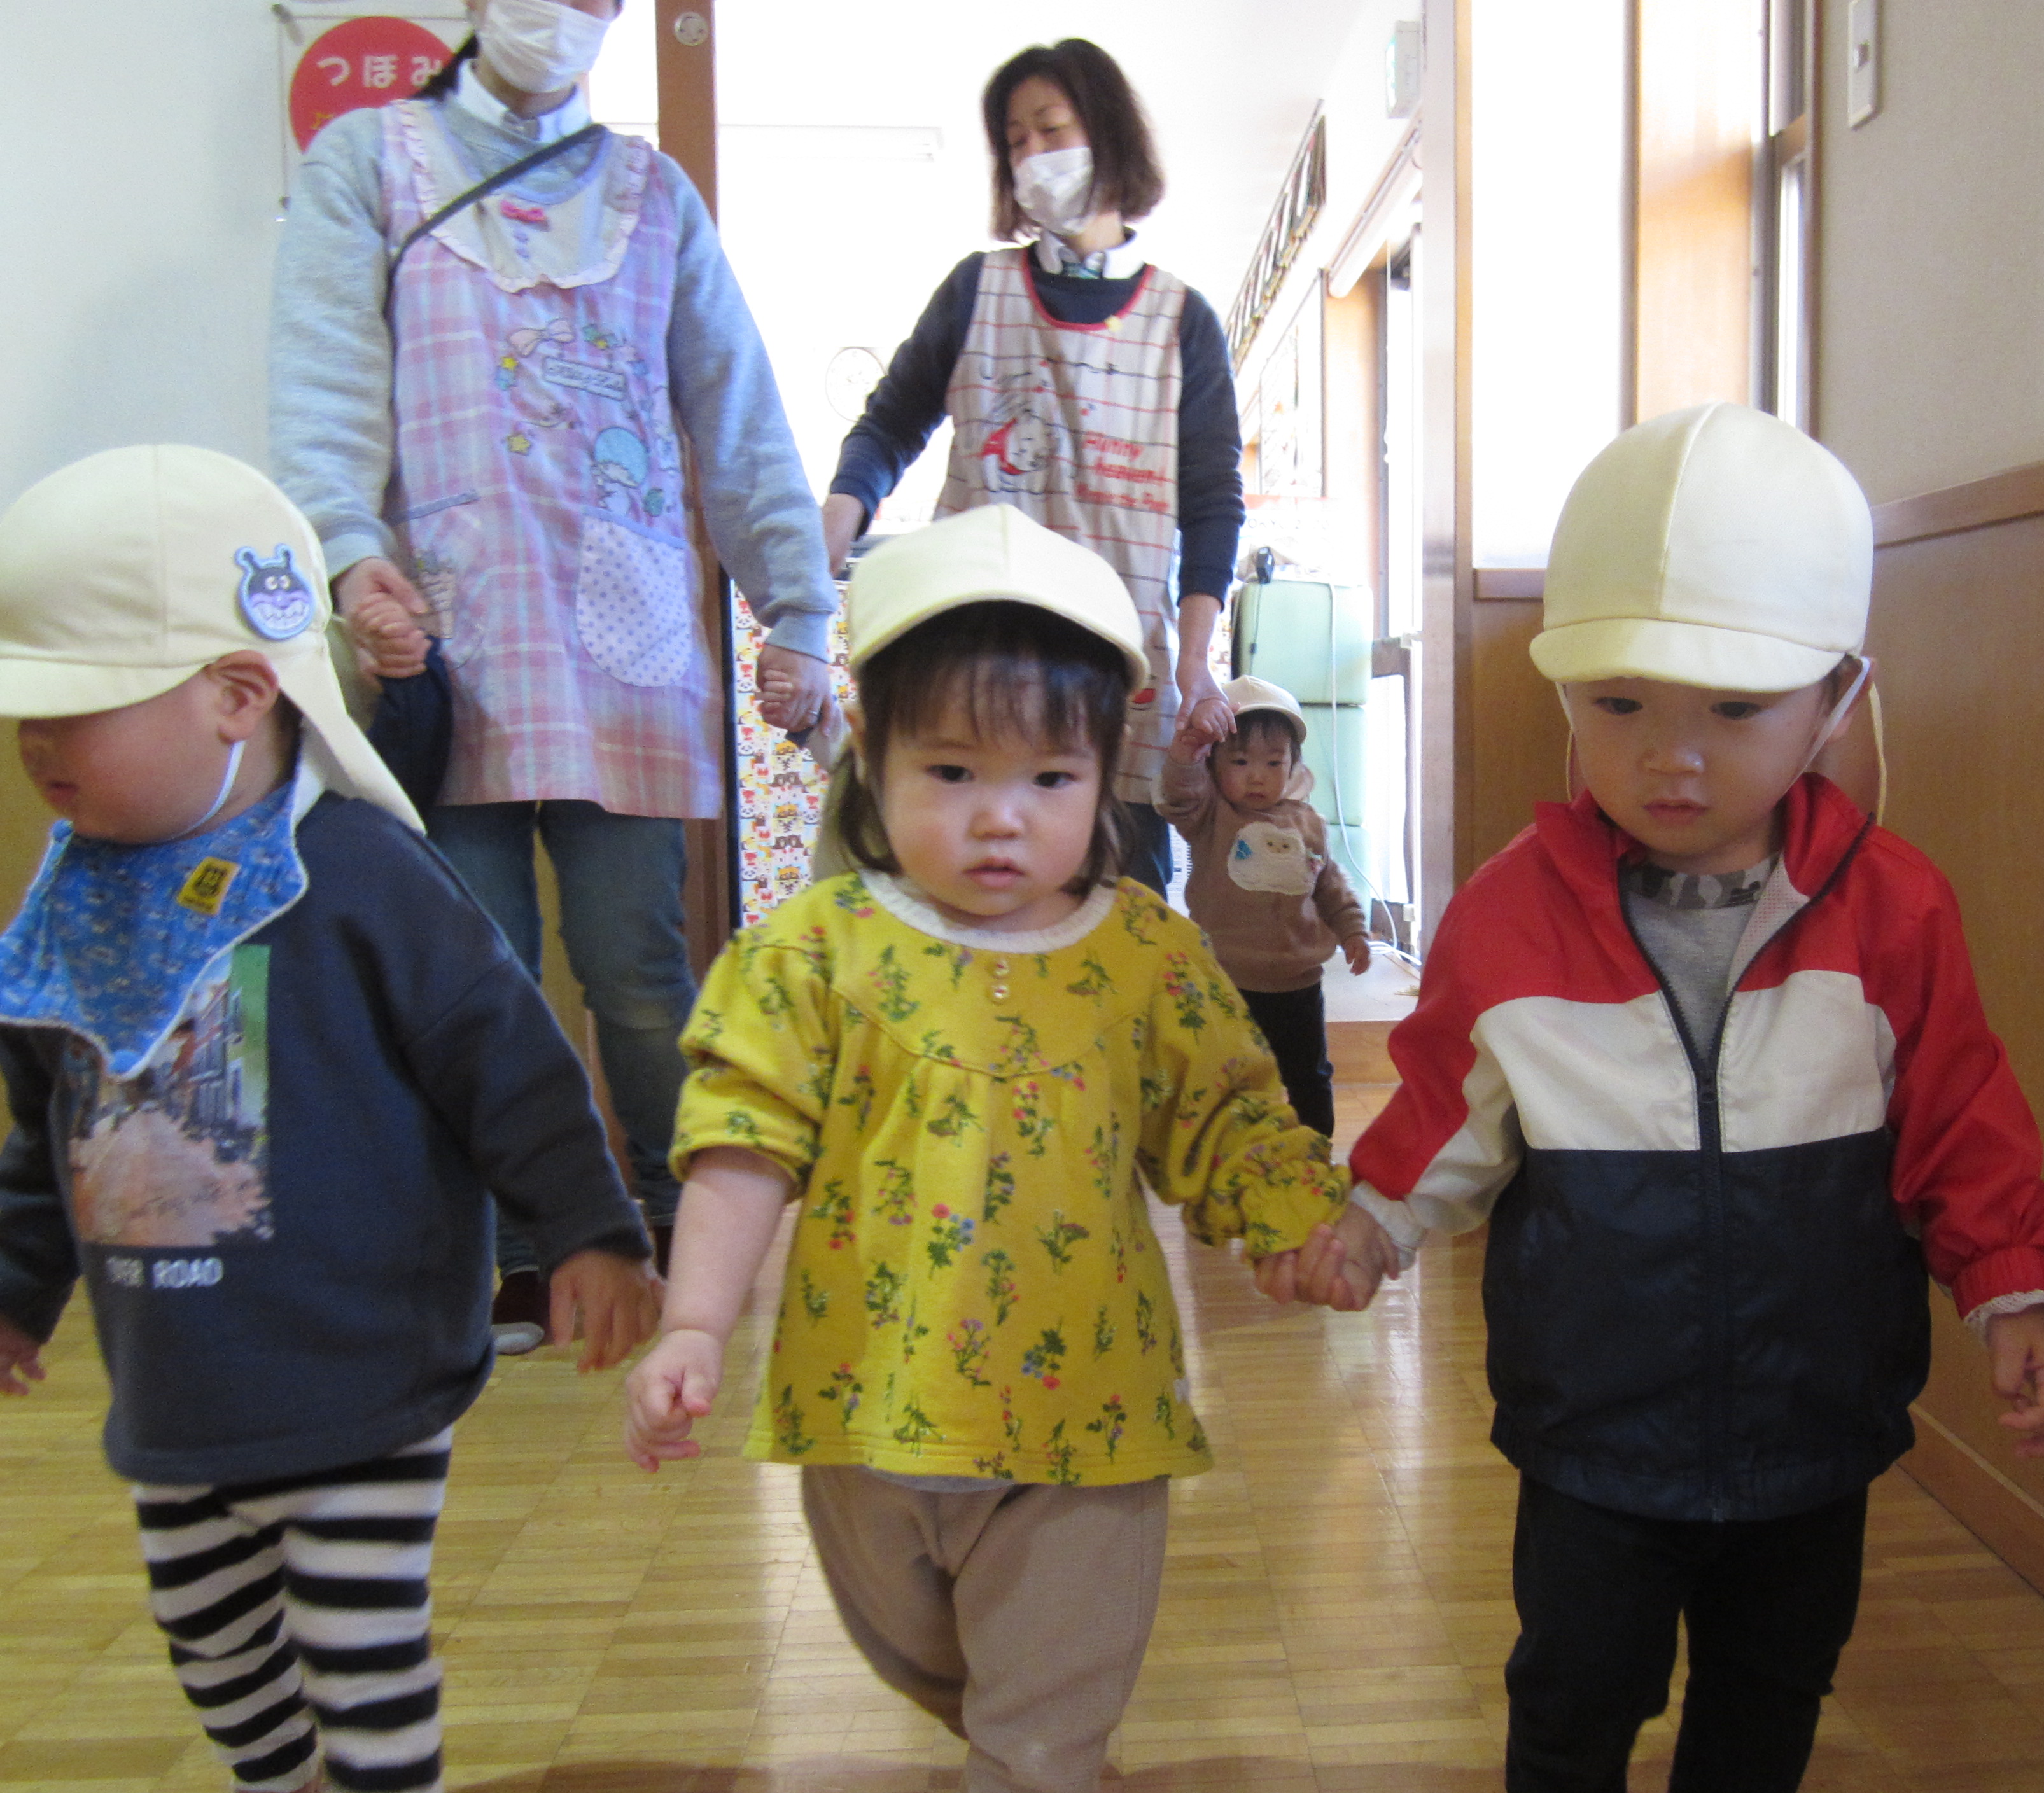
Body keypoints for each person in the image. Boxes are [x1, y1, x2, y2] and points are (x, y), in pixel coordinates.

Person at [1284, 405, 2044, 1793]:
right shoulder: (1517, 912)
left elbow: (1962, 1115)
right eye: (1620, 702)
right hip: (1596, 1417)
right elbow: (1447, 1095)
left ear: (1834, 699)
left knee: (1775, 1680)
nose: (1668, 754)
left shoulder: (1893, 908)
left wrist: (2013, 1282)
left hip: (1813, 1411)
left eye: (1730, 708)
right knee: (1576, 1677)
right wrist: (1373, 1218)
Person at [623, 505, 1347, 1793]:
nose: (1001, 814)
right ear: (872, 765)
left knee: (1053, 1668)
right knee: (916, 1647)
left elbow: (1228, 1114)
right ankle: (1033, 1748)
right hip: (866, 1407)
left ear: (1102, 780)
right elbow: (740, 1140)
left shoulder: (1141, 950)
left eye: (1050, 775)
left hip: (1086, 1410)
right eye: (949, 770)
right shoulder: (813, 951)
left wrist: (1294, 1221)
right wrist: (694, 1323)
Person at [0, 445, 660, 1793]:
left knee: (361, 1651)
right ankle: (272, 1778)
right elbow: (50, 1130)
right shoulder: (71, 905)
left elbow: (513, 1062)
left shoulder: (358, 874)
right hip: (178, 1385)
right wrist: (14, 1291)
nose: (39, 741)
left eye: (76, 706)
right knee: (212, 1636)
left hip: (360, 1367)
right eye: (24, 709)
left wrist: (590, 1234)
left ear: (239, 694)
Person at [269, 0, 839, 1343]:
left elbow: (737, 411)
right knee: (482, 969)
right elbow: (325, 385)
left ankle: (673, 1221)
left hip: (625, 650)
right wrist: (352, 557)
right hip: (444, 638)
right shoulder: (368, 161)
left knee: (638, 964)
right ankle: (534, 1240)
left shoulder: (653, 195)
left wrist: (797, 613)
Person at [822, 38, 1247, 899]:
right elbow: (890, 424)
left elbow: (1211, 507)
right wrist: (827, 532)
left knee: (1120, 919)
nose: (1031, 156)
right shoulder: (976, 292)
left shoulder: (1182, 322)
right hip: (976, 655)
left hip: (1120, 666)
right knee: (960, 911)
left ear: (1111, 137)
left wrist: (1196, 664)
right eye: (1015, 141)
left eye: (1051, 129)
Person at [1157, 674, 1371, 1136]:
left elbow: (1331, 884)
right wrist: (1186, 752)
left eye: (1274, 762)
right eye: (1239, 761)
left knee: (1308, 1076)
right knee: (1229, 1079)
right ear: (1214, 766)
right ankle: (1230, 1157)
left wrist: (1353, 930)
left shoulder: (1308, 822)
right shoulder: (1210, 814)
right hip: (1227, 981)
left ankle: (1313, 1154)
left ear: (1293, 766)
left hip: (1298, 983)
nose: (1257, 775)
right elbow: (1176, 795)